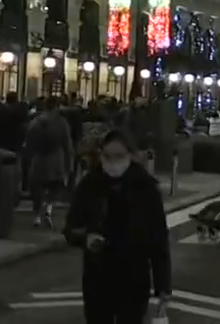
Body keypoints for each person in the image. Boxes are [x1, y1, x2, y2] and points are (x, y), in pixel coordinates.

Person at [65, 129, 171, 324]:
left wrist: (162, 284)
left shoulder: (145, 188)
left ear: (130, 155)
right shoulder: (90, 185)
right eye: (107, 156)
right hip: (98, 277)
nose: (113, 162)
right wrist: (85, 237)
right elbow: (71, 227)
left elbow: (158, 238)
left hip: (133, 277)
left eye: (119, 156)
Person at [25, 96, 72, 228]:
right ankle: (48, 207)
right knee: (55, 186)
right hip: (56, 157)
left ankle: (36, 216)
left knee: (38, 187)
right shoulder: (62, 122)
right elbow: (67, 144)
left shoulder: (37, 121)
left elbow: (29, 141)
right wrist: (69, 164)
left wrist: (28, 158)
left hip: (39, 157)